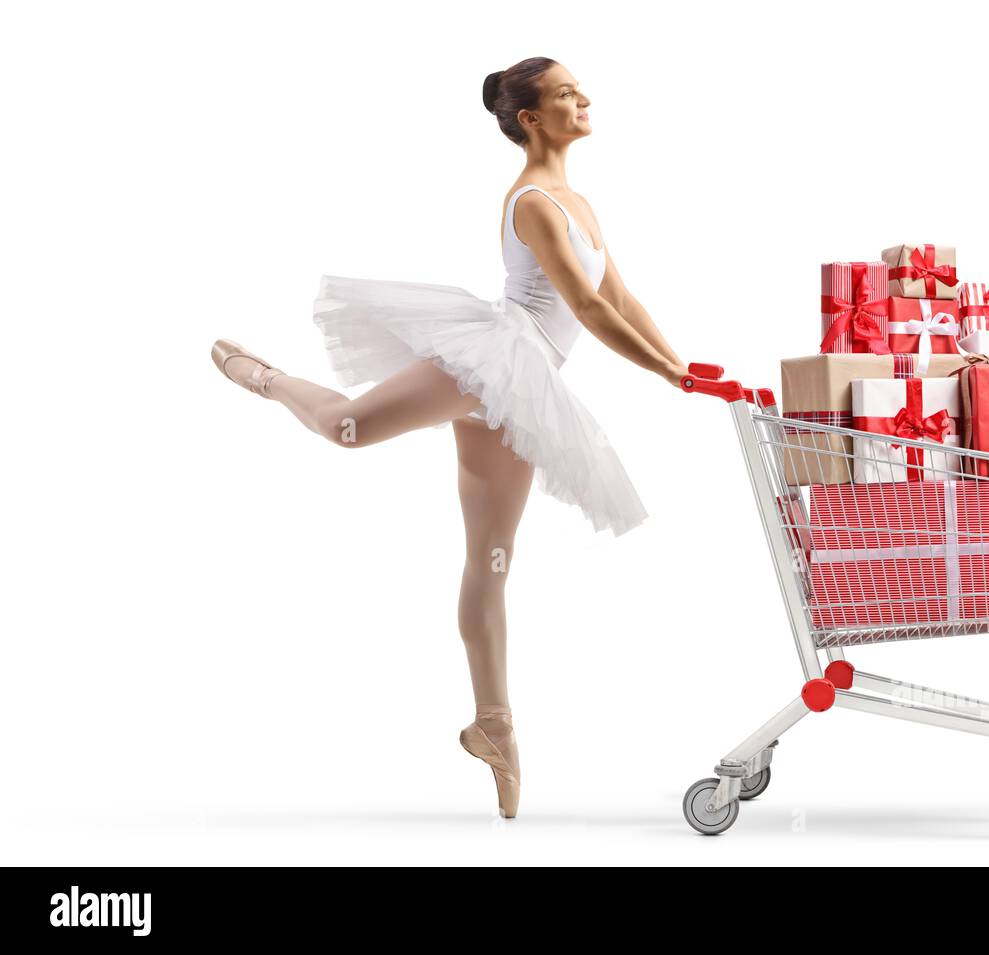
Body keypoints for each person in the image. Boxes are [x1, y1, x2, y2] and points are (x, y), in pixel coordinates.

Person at [211, 57, 688, 818]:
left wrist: (683, 360)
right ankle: (263, 377)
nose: (584, 98)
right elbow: (589, 312)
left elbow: (620, 295)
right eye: (566, 93)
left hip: (524, 394)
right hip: (496, 361)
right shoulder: (534, 200)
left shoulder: (581, 201)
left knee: (491, 563)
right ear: (531, 119)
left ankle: (493, 724)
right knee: (347, 428)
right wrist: (668, 373)